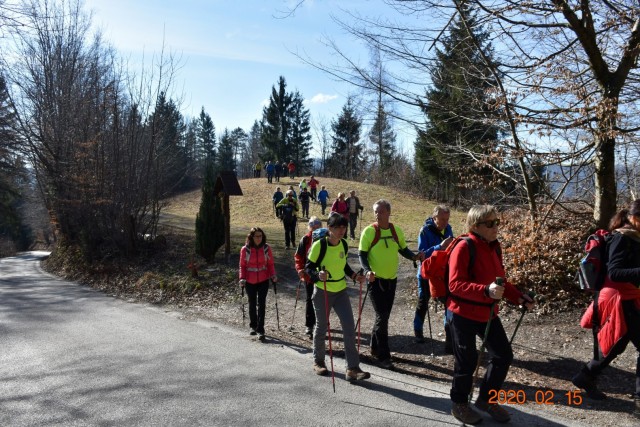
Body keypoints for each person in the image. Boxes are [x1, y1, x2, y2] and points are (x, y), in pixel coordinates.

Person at [447, 205, 534, 424]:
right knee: (466, 362)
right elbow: (455, 285)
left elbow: (500, 281)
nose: (496, 227)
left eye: (497, 222)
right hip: (463, 313)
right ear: (476, 226)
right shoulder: (464, 247)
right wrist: (485, 290)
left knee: (503, 355)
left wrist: (519, 297)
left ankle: (486, 399)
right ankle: (459, 404)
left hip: (487, 312)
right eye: (490, 223)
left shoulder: (494, 248)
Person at [572, 200, 640, 406]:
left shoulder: (634, 236)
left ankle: (585, 377)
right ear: (635, 218)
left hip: (629, 297)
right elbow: (615, 272)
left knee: (616, 345)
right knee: (618, 344)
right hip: (618, 299)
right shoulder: (622, 238)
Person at [359, 199, 424, 369]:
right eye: (375, 212)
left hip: (392, 280)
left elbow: (403, 249)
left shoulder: (396, 231)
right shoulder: (369, 231)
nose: (377, 215)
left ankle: (374, 347)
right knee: (382, 316)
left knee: (383, 315)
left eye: (380, 211)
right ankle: (383, 355)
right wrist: (367, 271)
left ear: (388, 212)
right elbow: (362, 254)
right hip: (375, 280)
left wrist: (414, 257)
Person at [305, 213, 370, 382]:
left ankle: (352, 368)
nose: (341, 231)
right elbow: (308, 269)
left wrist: (355, 276)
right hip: (322, 291)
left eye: (344, 227)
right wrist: (318, 275)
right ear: (329, 229)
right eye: (337, 228)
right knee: (321, 327)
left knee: (349, 328)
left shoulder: (344, 244)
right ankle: (319, 362)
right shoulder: (320, 245)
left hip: (341, 290)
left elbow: (344, 266)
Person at [414, 205, 455, 348]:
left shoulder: (448, 229)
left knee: (448, 303)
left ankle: (449, 334)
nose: (445, 223)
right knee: (423, 302)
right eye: (442, 219)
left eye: (447, 219)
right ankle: (418, 330)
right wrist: (440, 246)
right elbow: (422, 254)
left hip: (442, 273)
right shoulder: (425, 231)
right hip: (426, 272)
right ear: (434, 217)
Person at [239, 227, 278, 342]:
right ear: (251, 237)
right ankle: (253, 326)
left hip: (263, 279)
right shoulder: (245, 250)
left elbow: (270, 264)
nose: (259, 238)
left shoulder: (266, 248)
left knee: (261, 304)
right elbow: (242, 265)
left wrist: (273, 275)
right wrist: (242, 278)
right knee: (252, 303)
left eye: (261, 236)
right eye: (256, 236)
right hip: (249, 281)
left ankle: (260, 329)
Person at [294, 216, 323, 338]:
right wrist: (300, 269)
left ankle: (321, 324)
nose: (315, 226)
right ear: (310, 227)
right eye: (312, 225)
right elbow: (299, 257)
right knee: (310, 299)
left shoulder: (325, 238)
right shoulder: (305, 239)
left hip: (323, 276)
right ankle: (309, 325)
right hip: (308, 275)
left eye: (317, 224)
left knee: (322, 301)